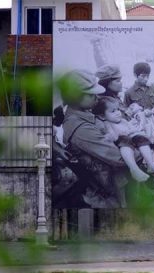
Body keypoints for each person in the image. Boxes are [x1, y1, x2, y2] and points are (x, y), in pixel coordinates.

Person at [60, 69, 140, 208]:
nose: (97, 98)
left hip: (114, 183)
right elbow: (117, 158)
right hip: (105, 193)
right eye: (92, 95)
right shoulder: (80, 127)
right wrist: (139, 150)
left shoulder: (84, 113)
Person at [92, 97, 154, 183]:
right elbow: (113, 136)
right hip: (122, 142)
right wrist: (116, 135)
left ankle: (151, 163)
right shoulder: (107, 123)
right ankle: (133, 168)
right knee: (124, 140)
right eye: (113, 111)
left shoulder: (123, 121)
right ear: (102, 116)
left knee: (141, 138)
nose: (118, 113)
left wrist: (138, 131)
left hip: (130, 138)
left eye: (118, 109)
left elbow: (132, 129)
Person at [124, 62, 154, 185]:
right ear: (135, 75)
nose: (145, 79)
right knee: (144, 157)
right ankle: (149, 182)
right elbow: (127, 114)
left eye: (147, 76)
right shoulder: (129, 93)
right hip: (140, 130)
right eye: (142, 76)